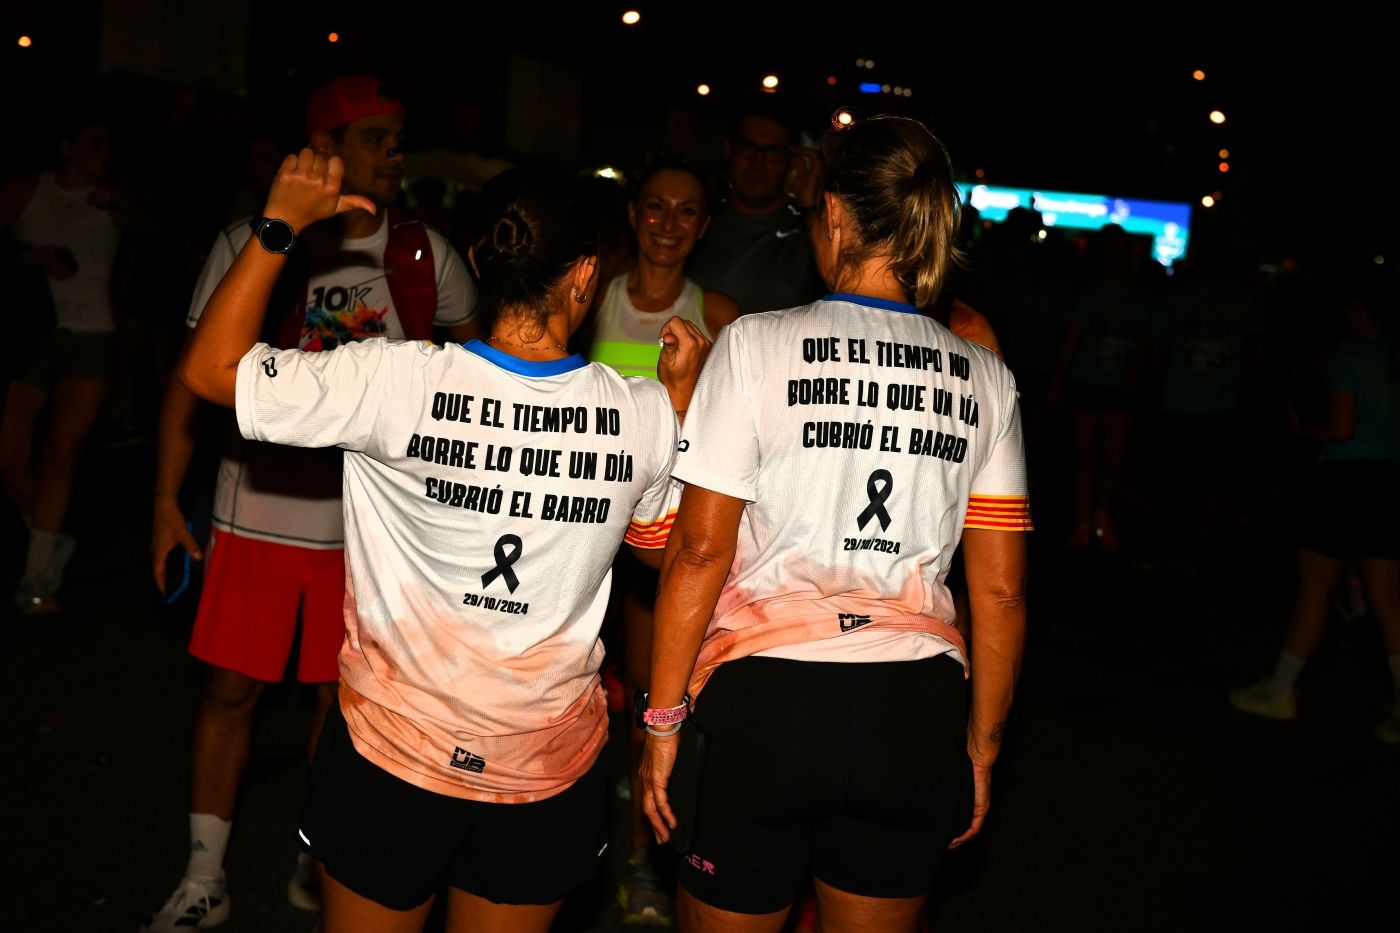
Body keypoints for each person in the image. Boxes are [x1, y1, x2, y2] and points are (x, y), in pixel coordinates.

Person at [176, 152, 709, 933]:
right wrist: (683, 403)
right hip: (543, 770)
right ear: (586, 275)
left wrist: (279, 221)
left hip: (391, 760)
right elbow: (662, 558)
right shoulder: (641, 412)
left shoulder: (392, 380)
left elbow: (210, 368)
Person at [639, 114, 1033, 932]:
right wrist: (982, 745)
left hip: (767, 698)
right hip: (914, 707)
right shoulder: (986, 376)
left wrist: (663, 719)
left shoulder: (753, 344)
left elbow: (699, 551)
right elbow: (999, 593)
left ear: (840, 217)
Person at [141, 74, 479, 932]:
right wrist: (161, 499)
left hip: (375, 532)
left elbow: (472, 384)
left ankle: (316, 852)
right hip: (253, 510)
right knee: (228, 692)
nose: (394, 154)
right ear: (324, 149)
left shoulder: (424, 254)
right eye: (375, 138)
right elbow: (189, 385)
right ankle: (205, 875)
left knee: (348, 707)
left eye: (399, 136)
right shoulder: (253, 242)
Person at [580, 154, 739, 926]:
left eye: (687, 211)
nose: (668, 223)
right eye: (655, 206)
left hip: (657, 546)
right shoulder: (591, 299)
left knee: (653, 702)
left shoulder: (724, 314)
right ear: (634, 213)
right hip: (578, 533)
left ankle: (644, 863)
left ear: (705, 225)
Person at [1229, 263, 1400, 742]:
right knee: (1388, 598)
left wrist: (1306, 432)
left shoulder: (1350, 355)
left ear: (1361, 310)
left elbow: (1343, 429)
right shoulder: (1394, 357)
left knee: (1316, 587)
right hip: (1391, 479)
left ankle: (1280, 691)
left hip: (1347, 478)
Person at [0, 104, 119, 613]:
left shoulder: (113, 200)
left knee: (60, 453)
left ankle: (36, 577)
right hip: (33, 334)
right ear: (67, 147)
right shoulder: (28, 190)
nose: (104, 154)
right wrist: (34, 257)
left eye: (108, 145)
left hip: (93, 336)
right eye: (94, 143)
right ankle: (49, 537)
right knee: (7, 458)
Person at [685, 93, 825, 316]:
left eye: (772, 152)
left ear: (793, 160)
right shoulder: (696, 220)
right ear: (729, 149)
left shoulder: (807, 229)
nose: (757, 163)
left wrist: (810, 203)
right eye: (747, 147)